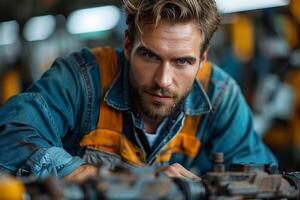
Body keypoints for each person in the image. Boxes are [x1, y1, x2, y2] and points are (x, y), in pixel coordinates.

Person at [0, 0, 277, 182]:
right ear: (128, 45)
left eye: (182, 61)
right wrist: (123, 182)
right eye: (150, 56)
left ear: (202, 58)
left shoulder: (219, 95)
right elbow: (11, 137)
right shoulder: (81, 78)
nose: (163, 80)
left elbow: (262, 178)